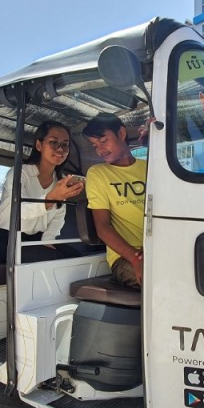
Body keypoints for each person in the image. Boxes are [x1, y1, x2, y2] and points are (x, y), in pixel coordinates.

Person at [0, 120, 84, 263]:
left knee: (75, 257)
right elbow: (19, 211)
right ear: (39, 145)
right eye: (53, 142)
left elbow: (58, 217)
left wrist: (47, 240)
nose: (60, 149)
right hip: (9, 239)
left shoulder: (60, 181)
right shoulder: (19, 173)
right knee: (52, 259)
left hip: (38, 239)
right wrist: (52, 198)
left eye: (65, 145)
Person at [83, 113, 146, 288]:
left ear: (121, 133)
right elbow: (102, 228)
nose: (100, 150)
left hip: (158, 250)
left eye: (103, 141)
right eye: (95, 145)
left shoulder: (150, 167)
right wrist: (136, 258)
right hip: (125, 257)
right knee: (163, 282)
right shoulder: (97, 173)